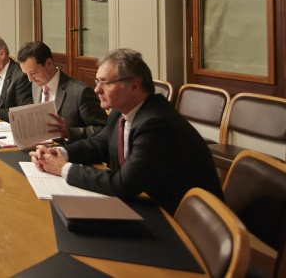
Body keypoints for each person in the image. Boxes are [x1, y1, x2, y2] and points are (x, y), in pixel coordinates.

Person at [29, 48, 223, 216]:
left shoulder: (156, 124)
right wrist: (60, 153)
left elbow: (123, 184)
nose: (97, 89)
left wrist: (63, 169)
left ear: (134, 85)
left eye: (105, 83)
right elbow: (100, 144)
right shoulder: (120, 112)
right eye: (97, 81)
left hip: (174, 219)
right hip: (144, 202)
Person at [17, 41, 107, 142]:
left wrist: (69, 133)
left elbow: (103, 130)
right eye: (26, 74)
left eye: (33, 72)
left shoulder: (80, 92)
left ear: (49, 63)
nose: (30, 79)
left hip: (71, 153)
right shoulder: (36, 86)